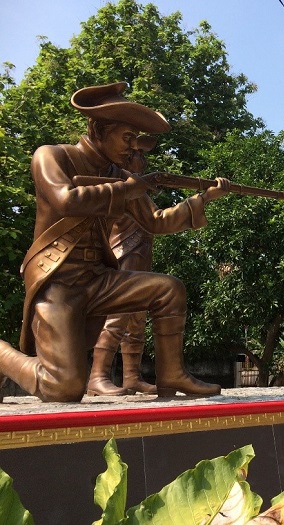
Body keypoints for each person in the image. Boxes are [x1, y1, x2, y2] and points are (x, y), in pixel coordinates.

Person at [0, 81, 232, 402]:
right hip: (58, 282)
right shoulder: (52, 156)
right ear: (97, 130)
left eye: (136, 139)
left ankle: (171, 375)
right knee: (63, 388)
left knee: (169, 289)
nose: (133, 147)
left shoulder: (121, 175)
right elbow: (65, 200)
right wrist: (130, 188)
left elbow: (156, 221)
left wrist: (204, 199)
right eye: (127, 137)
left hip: (98, 279)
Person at [86, 137, 157, 396]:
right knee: (117, 317)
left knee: (137, 320)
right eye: (138, 154)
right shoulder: (121, 187)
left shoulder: (138, 189)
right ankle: (98, 376)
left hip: (141, 254)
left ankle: (132, 378)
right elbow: (158, 219)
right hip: (124, 254)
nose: (143, 160)